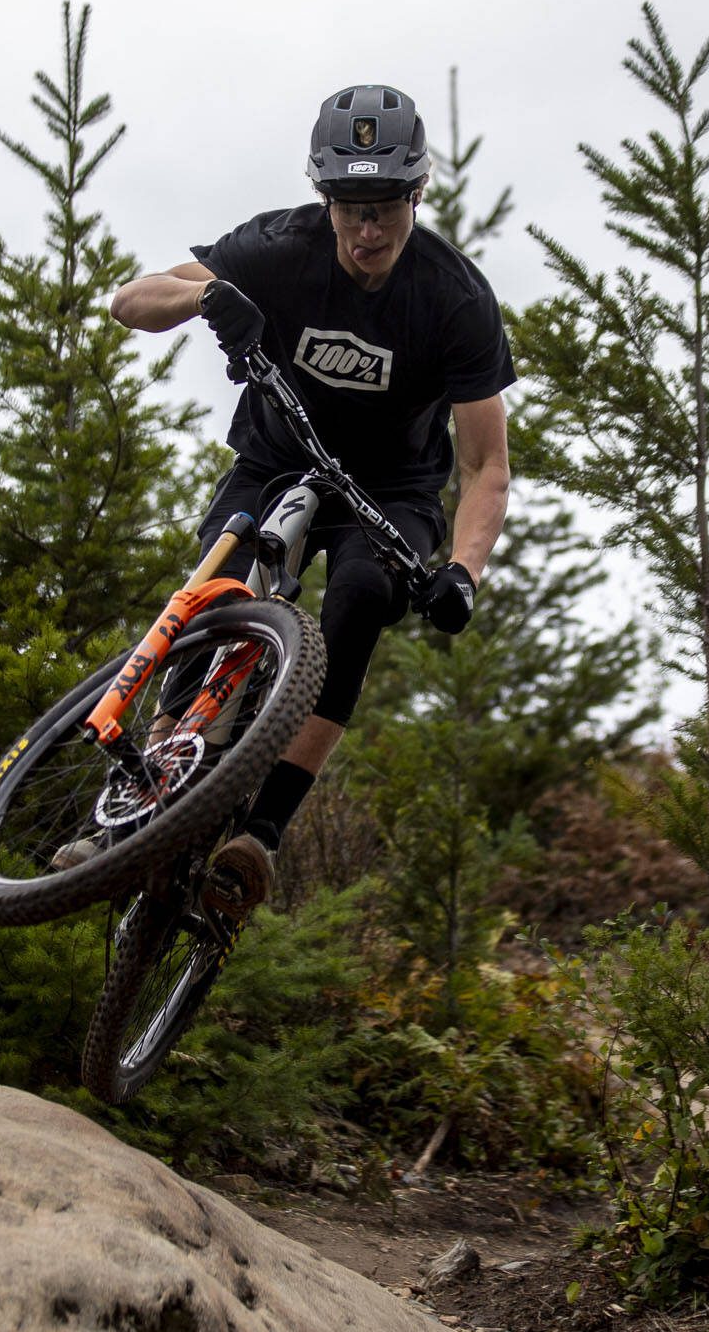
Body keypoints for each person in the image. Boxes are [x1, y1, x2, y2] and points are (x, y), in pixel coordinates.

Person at [107, 83, 514, 912]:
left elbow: (486, 465)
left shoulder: (456, 299)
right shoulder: (278, 245)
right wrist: (205, 295)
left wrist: (463, 571)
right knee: (214, 586)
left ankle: (261, 834)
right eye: (350, 206)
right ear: (324, 197)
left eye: (386, 207)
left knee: (361, 598)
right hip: (274, 459)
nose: (368, 230)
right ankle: (144, 799)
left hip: (390, 491)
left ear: (418, 192)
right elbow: (130, 301)